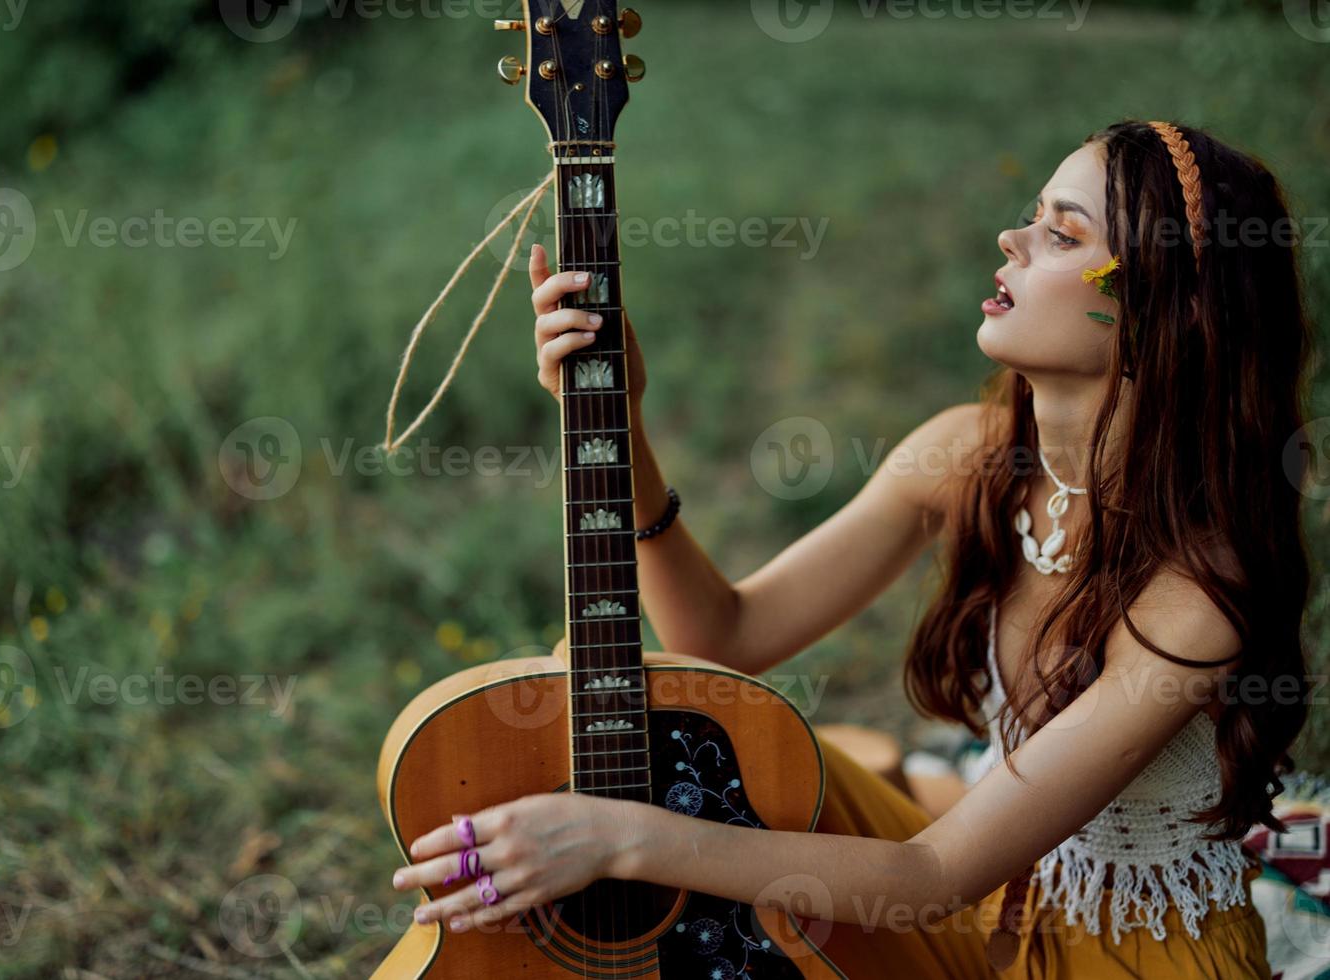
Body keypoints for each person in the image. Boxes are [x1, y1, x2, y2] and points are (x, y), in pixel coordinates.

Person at [391, 119, 1315, 979]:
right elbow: (726, 635)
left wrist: (616, 837)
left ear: (1163, 316)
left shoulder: (1193, 590)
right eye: (1030, 216)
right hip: (991, 902)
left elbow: (933, 871)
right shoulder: (969, 454)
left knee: (702, 805)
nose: (1013, 240)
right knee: (709, 748)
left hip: (1125, 957)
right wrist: (619, 420)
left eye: (1063, 236)